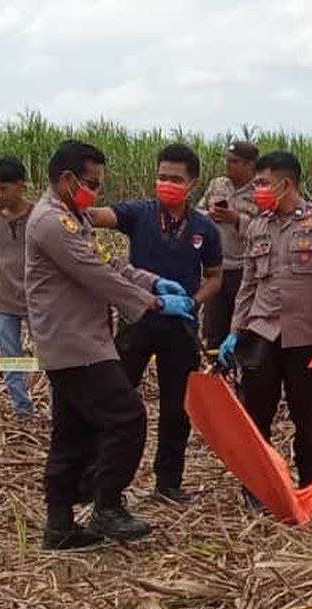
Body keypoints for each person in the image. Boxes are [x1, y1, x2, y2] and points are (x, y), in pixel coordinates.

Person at [26, 140, 196, 549]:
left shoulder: (73, 216)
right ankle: (107, 506)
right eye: (92, 183)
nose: (95, 193)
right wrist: (153, 304)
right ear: (67, 179)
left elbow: (109, 264)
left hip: (81, 340)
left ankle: (60, 525)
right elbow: (96, 276)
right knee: (126, 417)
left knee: (72, 433)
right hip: (75, 344)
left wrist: (152, 281)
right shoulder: (52, 222)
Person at [89, 143, 222, 505]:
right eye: (162, 177)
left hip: (180, 326)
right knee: (118, 398)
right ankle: (103, 480)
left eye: (175, 179)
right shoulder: (139, 214)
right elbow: (98, 216)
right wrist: (73, 207)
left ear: (192, 183)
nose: (166, 184)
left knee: (176, 407)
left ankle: (168, 482)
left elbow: (214, 277)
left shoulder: (204, 229)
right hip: (138, 320)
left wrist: (193, 302)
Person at [217, 150, 312, 493]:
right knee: (257, 415)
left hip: (305, 337)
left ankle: (310, 486)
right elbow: (248, 283)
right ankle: (259, 487)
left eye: (262, 183)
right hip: (262, 334)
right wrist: (235, 331)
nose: (256, 189)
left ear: (285, 184)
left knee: (306, 415)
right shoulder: (258, 225)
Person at [0, 155, 35, 420]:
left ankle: (63, 410)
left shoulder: (39, 216)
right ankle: (22, 410)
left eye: (4, 189)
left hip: (38, 300)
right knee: (10, 359)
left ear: (21, 185)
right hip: (3, 300)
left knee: (52, 357)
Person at [199, 141, 260, 349]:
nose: (228, 164)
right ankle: (216, 374)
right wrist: (210, 216)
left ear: (249, 165)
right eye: (227, 159)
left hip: (245, 269)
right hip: (216, 268)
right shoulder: (217, 185)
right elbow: (197, 214)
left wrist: (237, 219)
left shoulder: (260, 192)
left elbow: (266, 230)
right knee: (213, 330)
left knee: (244, 329)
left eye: (234, 161)